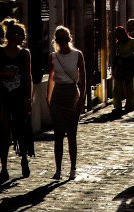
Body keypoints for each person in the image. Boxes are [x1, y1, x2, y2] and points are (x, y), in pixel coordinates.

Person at [0, 19, 34, 182]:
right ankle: (4, 167)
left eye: (23, 36)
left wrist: (29, 98)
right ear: (12, 36)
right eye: (20, 35)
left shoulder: (24, 54)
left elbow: (28, 77)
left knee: (21, 130)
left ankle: (24, 159)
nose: (22, 38)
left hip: (20, 97)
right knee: (4, 131)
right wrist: (2, 75)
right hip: (4, 97)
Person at [46, 26, 86, 180]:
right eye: (59, 39)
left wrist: (82, 98)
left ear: (69, 38)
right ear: (56, 41)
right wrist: (47, 98)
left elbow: (83, 78)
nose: (62, 42)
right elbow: (50, 78)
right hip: (58, 95)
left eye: (65, 38)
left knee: (72, 134)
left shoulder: (77, 55)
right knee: (58, 135)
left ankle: (73, 168)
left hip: (71, 95)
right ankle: (58, 169)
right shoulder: (53, 57)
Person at [112, 26, 134, 113]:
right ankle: (118, 105)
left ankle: (129, 104)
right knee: (117, 86)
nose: (117, 37)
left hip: (129, 64)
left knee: (130, 86)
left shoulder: (132, 41)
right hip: (120, 65)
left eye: (118, 35)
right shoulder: (118, 43)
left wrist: (132, 64)